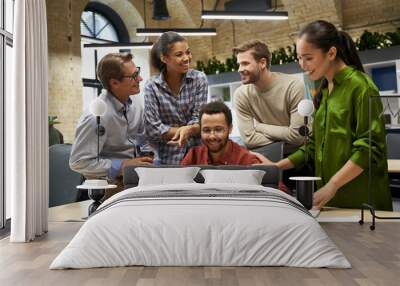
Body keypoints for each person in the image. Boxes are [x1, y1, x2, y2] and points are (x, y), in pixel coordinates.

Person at [260, 20, 392, 210]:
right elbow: (313, 146)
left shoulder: (361, 86)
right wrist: (276, 167)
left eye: (308, 58)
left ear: (331, 53)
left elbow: (369, 149)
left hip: (361, 201)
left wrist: (333, 185)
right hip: (330, 201)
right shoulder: (323, 90)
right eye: (299, 58)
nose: (302, 65)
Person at [70, 53, 153, 186]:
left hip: (136, 179)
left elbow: (144, 141)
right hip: (108, 185)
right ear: (114, 83)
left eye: (138, 72)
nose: (140, 78)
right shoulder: (96, 116)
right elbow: (79, 162)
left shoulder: (136, 106)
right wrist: (121, 166)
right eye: (133, 76)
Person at [144, 31, 208, 165]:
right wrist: (187, 130)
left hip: (198, 156)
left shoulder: (199, 79)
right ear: (164, 58)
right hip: (167, 158)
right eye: (179, 54)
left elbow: (199, 119)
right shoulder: (152, 86)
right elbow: (152, 129)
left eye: (188, 52)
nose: (186, 58)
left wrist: (189, 129)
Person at [232, 40, 306, 152]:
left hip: (297, 158)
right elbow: (249, 140)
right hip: (264, 157)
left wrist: (259, 127)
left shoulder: (293, 86)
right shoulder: (241, 94)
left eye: (245, 63)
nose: (240, 69)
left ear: (262, 63)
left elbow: (298, 136)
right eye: (239, 64)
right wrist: (288, 137)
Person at [181, 101, 262, 165]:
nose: (212, 136)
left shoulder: (246, 159)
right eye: (206, 130)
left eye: (218, 130)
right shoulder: (193, 156)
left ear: (230, 129)